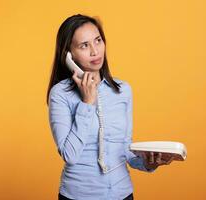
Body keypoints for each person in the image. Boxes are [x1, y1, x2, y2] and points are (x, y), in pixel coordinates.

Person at [46, 14, 175, 200]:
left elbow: (124, 150)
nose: (94, 51)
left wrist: (148, 162)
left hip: (122, 194)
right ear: (69, 54)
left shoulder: (123, 91)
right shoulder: (60, 94)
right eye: (84, 45)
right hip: (78, 196)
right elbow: (70, 155)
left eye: (98, 41)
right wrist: (87, 102)